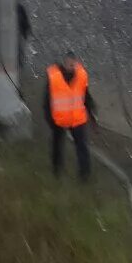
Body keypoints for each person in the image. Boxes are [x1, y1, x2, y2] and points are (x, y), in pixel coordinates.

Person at [44, 52, 94, 182]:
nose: (72, 67)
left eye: (74, 64)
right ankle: (57, 172)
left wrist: (92, 113)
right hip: (59, 119)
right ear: (64, 63)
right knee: (57, 146)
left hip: (77, 119)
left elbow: (86, 96)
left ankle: (84, 176)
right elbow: (47, 100)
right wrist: (49, 118)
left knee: (82, 147)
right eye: (69, 64)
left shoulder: (82, 76)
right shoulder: (54, 77)